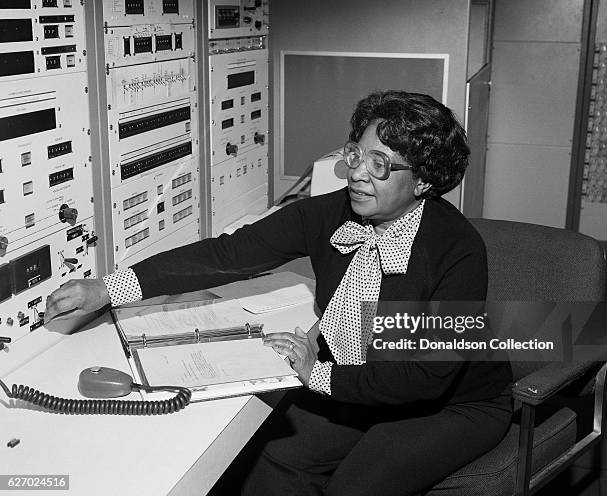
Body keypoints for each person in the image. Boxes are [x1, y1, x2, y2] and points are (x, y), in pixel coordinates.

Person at [45, 90, 512, 495]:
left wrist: (319, 375)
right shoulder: (329, 213)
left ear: (424, 180)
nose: (356, 173)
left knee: (354, 488)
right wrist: (109, 288)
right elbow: (229, 254)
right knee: (276, 458)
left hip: (451, 404)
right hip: (363, 379)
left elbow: (426, 377)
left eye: (380, 164)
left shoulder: (457, 250)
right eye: (356, 153)